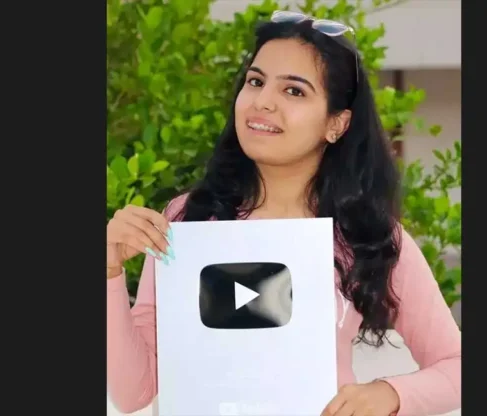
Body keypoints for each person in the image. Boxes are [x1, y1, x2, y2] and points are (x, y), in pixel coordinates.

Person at [107, 11, 461, 416]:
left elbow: (456, 367)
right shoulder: (187, 220)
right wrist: (110, 272)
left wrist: (390, 393)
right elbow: (134, 391)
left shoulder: (369, 237)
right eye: (255, 82)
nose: (263, 102)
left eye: (294, 91)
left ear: (336, 123)